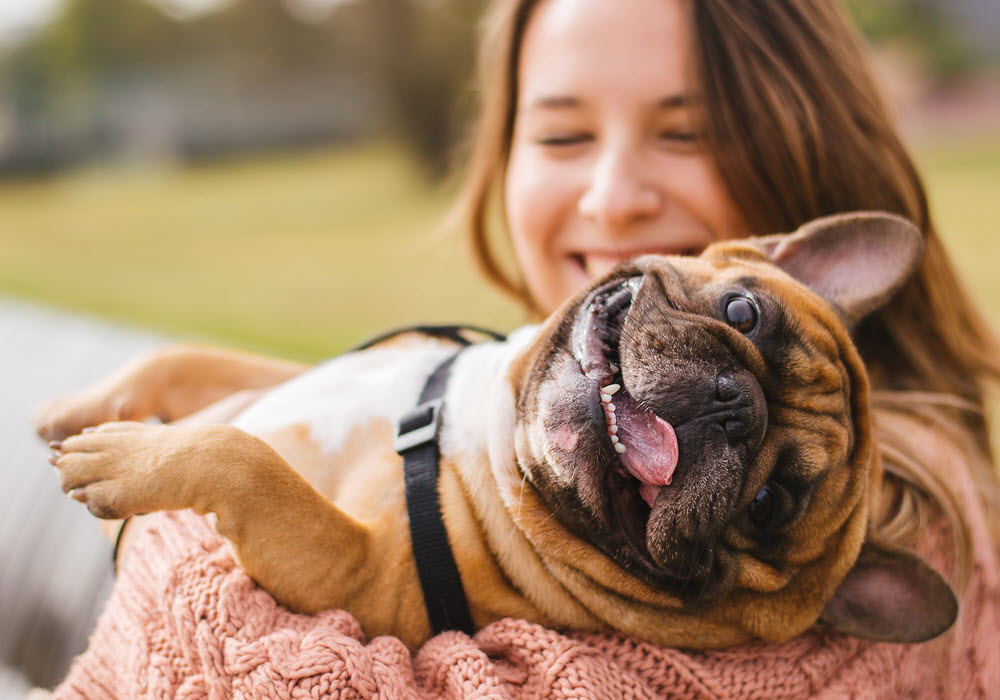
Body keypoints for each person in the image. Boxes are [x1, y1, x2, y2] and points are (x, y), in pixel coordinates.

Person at [47, 0, 1000, 697]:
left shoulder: (903, 535)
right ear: (496, 151)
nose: (612, 195)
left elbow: (229, 670)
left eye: (686, 132)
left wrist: (156, 520)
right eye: (562, 132)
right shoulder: (521, 390)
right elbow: (348, 408)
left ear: (804, 150)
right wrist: (185, 380)